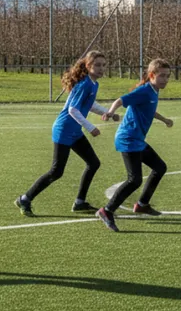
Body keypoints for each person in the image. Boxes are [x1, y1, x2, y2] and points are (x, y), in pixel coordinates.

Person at [15, 50, 117, 216]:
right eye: (97, 65)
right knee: (56, 171)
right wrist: (91, 127)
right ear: (88, 66)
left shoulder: (93, 84)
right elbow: (73, 110)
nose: (101, 68)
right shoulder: (84, 84)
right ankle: (25, 199)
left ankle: (80, 202)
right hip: (63, 130)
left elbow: (89, 104)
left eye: (103, 65)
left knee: (93, 163)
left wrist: (108, 112)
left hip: (74, 131)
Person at [96, 59, 174, 232]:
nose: (165, 80)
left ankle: (142, 204)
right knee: (135, 179)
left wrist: (164, 120)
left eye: (167, 76)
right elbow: (121, 100)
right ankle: (107, 210)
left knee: (159, 167)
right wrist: (110, 112)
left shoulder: (154, 91)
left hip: (137, 139)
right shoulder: (144, 91)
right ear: (152, 75)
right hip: (128, 138)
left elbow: (149, 109)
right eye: (161, 76)